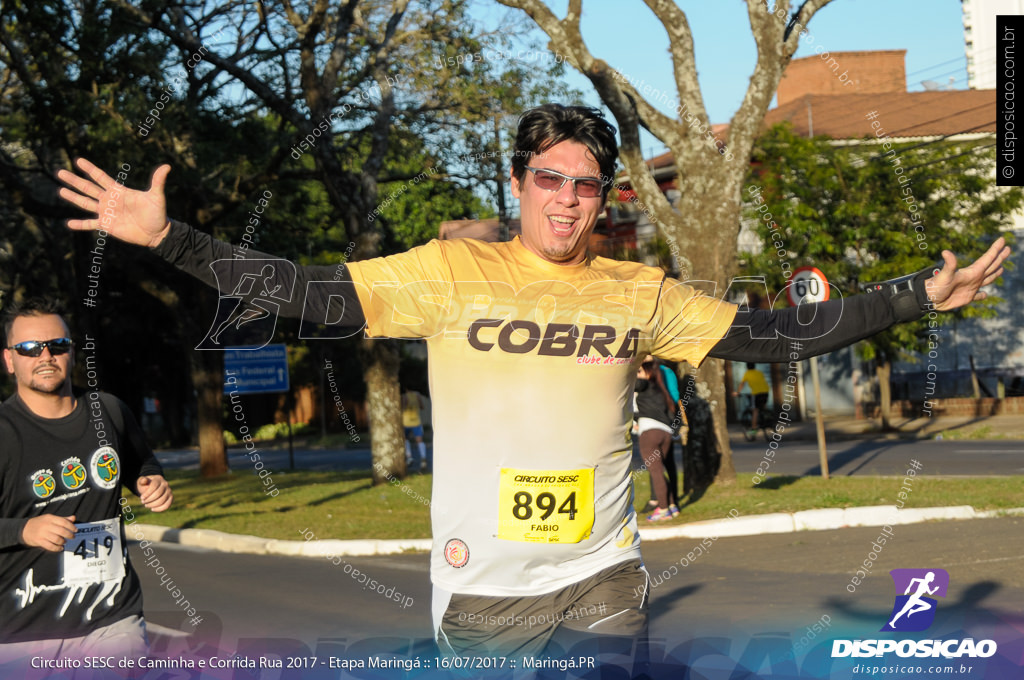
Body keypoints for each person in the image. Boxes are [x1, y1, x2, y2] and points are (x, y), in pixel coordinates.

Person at [55, 104, 1009, 662]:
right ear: (518, 183)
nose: (567, 198)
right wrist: (168, 239)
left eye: (586, 185)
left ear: (604, 198)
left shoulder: (638, 291)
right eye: (550, 178)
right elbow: (306, 293)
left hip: (603, 576)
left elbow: (768, 335)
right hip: (483, 595)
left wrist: (919, 293)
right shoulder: (448, 274)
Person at [0, 298, 173, 668]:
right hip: (19, 633)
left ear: (72, 353)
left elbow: (142, 463)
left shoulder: (108, 411)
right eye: (29, 348)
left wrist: (151, 481)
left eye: (57, 345)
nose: (45, 355)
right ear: (9, 359)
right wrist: (23, 530)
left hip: (112, 618)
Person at [635, 356, 679, 521]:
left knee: (656, 472)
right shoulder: (662, 390)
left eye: (640, 371)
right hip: (665, 433)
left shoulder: (645, 384)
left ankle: (663, 509)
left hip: (649, 433)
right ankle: (672, 506)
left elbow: (633, 384)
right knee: (662, 470)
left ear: (648, 373)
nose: (638, 374)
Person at [734, 362, 770, 440]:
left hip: (756, 393)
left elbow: (742, 384)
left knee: (755, 411)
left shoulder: (747, 373)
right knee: (762, 407)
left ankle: (753, 430)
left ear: (747, 367)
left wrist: (738, 392)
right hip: (765, 392)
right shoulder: (759, 372)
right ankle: (767, 420)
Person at [401, 388, 428, 471]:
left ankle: (409, 457)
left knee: (405, 439)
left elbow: (403, 407)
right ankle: (423, 459)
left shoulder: (404, 396)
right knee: (419, 440)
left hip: (405, 422)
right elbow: (422, 407)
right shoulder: (417, 395)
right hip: (416, 421)